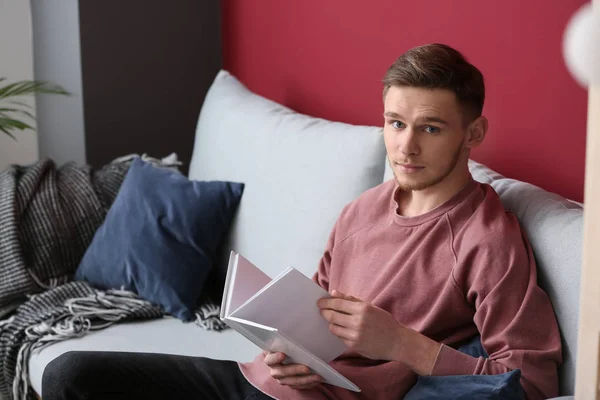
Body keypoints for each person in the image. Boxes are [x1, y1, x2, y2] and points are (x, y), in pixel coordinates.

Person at [42, 43, 562, 400]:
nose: (406, 146)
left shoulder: (488, 239)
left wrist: (403, 344)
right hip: (260, 383)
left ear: (474, 133)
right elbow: (313, 315)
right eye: (396, 123)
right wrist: (283, 352)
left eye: (430, 128)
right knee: (71, 373)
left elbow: (531, 380)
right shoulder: (364, 209)